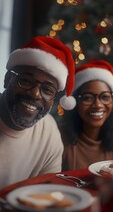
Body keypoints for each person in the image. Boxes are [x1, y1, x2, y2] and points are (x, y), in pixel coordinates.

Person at [0, 35, 75, 189]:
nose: (35, 94)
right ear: (8, 79)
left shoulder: (49, 131)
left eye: (47, 89)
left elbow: (45, 193)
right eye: (25, 81)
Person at [59, 59, 113, 171]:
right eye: (88, 98)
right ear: (75, 102)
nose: (98, 105)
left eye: (105, 97)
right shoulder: (60, 136)